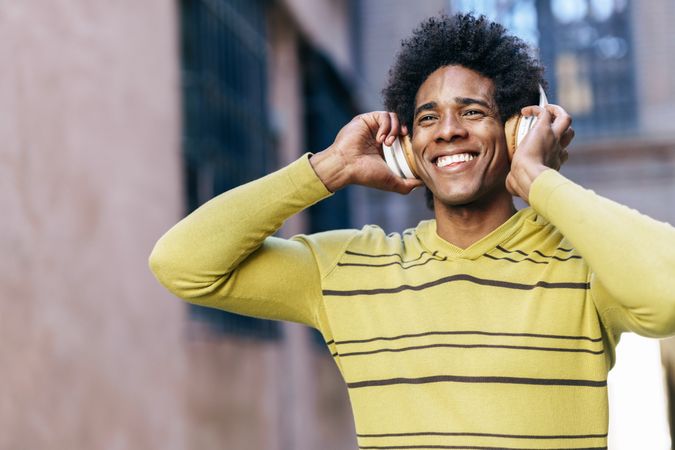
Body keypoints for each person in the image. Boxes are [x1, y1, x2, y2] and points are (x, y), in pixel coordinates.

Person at [149, 13, 675, 449]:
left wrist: (538, 178)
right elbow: (182, 264)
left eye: (473, 112)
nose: (448, 130)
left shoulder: (583, 264)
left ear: (519, 130)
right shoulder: (348, 268)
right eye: (428, 118)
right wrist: (328, 168)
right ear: (405, 146)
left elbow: (668, 292)